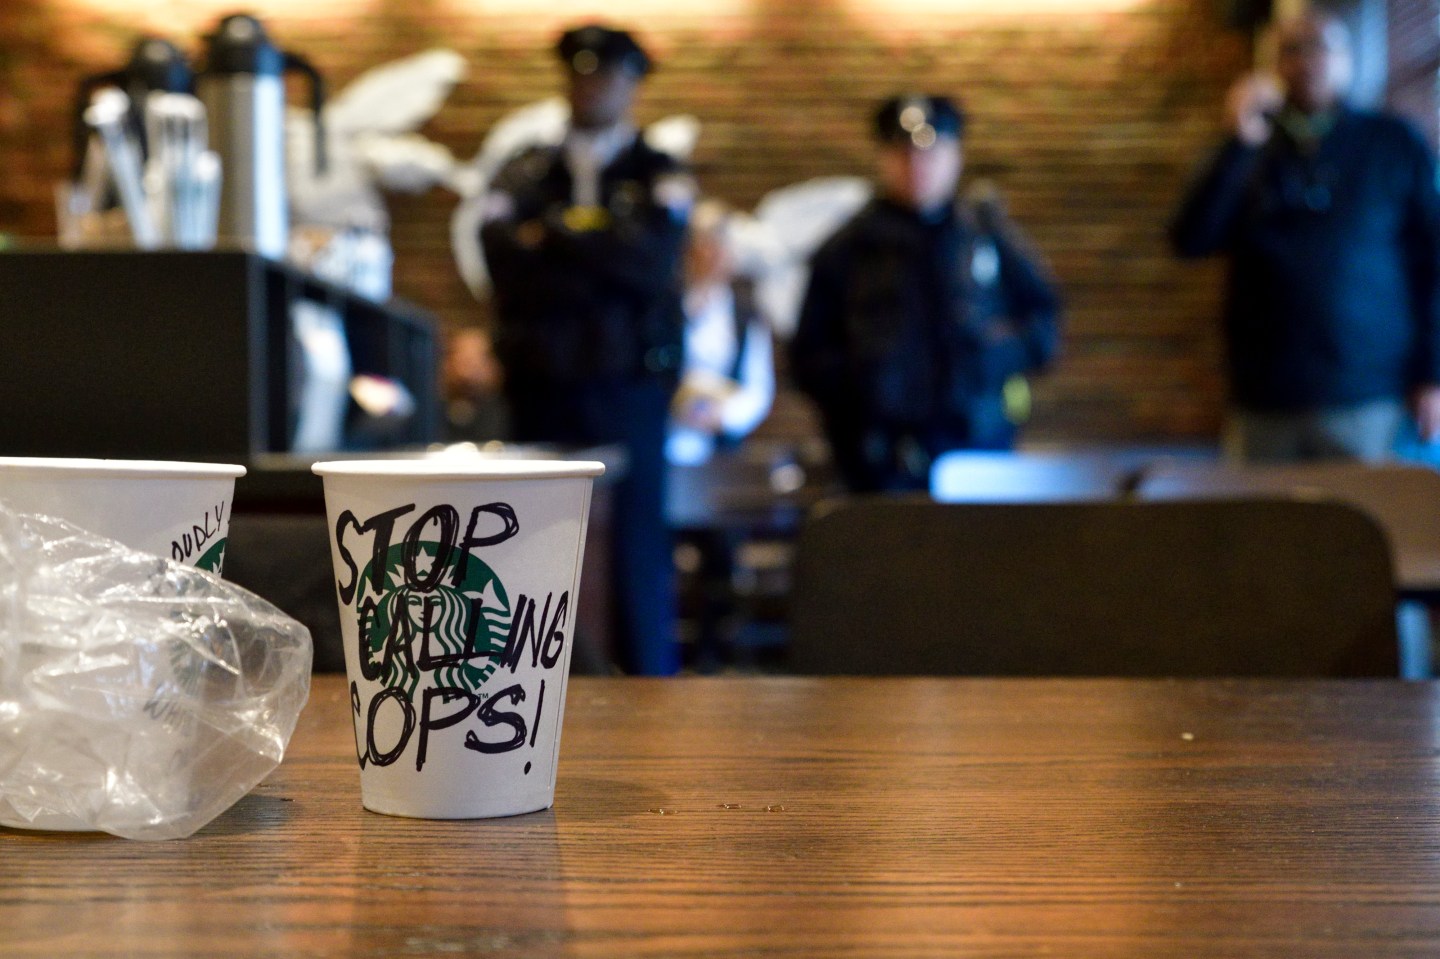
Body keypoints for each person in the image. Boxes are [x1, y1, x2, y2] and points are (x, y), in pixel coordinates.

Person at [478, 23, 692, 675]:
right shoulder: (524, 168)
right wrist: (604, 247)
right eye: (582, 73)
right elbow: (503, 261)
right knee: (531, 543)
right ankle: (528, 678)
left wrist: (558, 235)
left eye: (608, 75)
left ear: (632, 84)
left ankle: (646, 685)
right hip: (542, 384)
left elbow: (652, 264)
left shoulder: (658, 170)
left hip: (626, 388)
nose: (593, 86)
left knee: (634, 549)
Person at [1171, 12, 1440, 462]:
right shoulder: (1251, 145)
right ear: (1273, 66)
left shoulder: (1392, 143)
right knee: (1263, 529)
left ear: (1347, 60)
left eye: (1320, 47)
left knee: (1371, 524)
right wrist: (1237, 143)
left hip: (1368, 397)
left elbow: (1435, 262)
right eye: (1292, 49)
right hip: (1264, 400)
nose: (1307, 61)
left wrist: (1432, 374)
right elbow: (1191, 240)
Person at [790, 94, 1062, 493]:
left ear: (956, 157)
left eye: (932, 153)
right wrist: (862, 393)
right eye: (904, 154)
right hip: (879, 460)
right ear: (883, 158)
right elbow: (809, 355)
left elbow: (1044, 321)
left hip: (979, 449)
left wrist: (989, 362)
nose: (918, 166)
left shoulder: (986, 236)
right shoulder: (848, 248)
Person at [667, 199, 775, 466]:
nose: (711, 254)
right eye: (703, 244)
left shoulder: (744, 310)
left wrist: (723, 416)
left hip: (716, 449)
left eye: (720, 245)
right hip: (660, 436)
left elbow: (758, 388)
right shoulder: (664, 304)